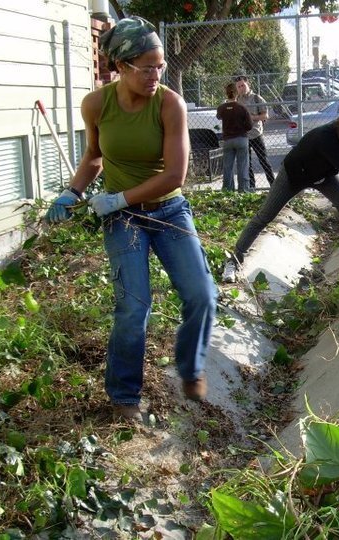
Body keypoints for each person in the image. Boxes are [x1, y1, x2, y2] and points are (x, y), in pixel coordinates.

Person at [44, 16, 217, 422]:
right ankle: (124, 396)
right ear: (120, 67)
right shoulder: (97, 104)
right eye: (146, 68)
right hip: (125, 222)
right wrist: (74, 191)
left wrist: (118, 197)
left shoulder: (170, 103)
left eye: (160, 66)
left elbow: (175, 175)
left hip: (169, 210)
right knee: (134, 306)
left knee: (202, 295)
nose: (156, 75)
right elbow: (93, 156)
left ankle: (191, 369)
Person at [222, 107, 339, 283]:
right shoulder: (326, 137)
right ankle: (234, 261)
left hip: (325, 176)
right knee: (264, 216)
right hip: (294, 175)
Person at [235, 75, 276, 188]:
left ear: (248, 84)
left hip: (256, 134)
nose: (241, 88)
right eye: (238, 87)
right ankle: (252, 188)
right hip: (243, 136)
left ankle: (273, 186)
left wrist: (252, 117)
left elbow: (265, 115)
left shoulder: (256, 98)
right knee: (247, 164)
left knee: (264, 161)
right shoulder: (237, 100)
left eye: (243, 85)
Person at [216, 82, 253, 192]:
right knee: (242, 166)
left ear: (226, 93)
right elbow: (249, 125)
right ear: (237, 93)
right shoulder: (242, 108)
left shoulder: (222, 108)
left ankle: (228, 190)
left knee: (228, 167)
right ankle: (244, 190)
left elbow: (218, 117)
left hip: (228, 140)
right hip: (241, 139)